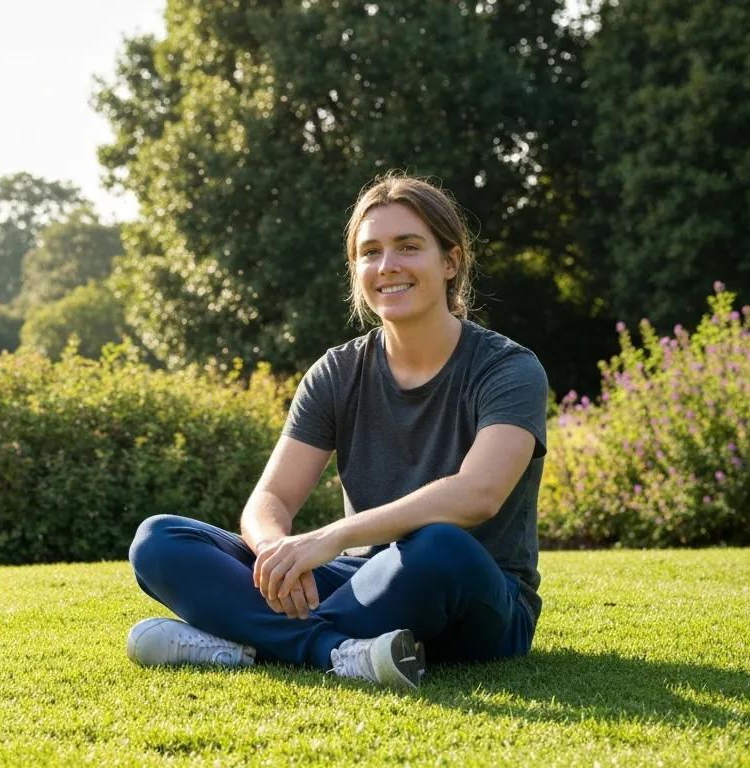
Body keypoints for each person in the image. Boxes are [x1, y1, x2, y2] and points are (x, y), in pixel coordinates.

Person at [125, 174, 548, 689]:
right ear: (356, 271)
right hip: (359, 585)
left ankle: (246, 645)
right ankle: (334, 650)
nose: (388, 266)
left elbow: (477, 495)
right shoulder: (337, 371)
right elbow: (270, 499)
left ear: (451, 261)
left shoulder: (508, 368)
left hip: (472, 594)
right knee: (160, 540)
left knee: (441, 546)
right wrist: (278, 554)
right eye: (370, 252)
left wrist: (328, 540)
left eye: (409, 247)